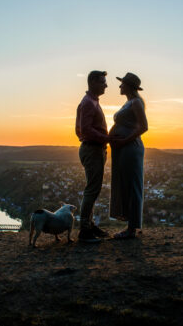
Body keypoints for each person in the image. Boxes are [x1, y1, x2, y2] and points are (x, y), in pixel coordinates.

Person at [109, 72, 148, 239]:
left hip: (130, 148)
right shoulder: (130, 102)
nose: (119, 86)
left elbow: (144, 127)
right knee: (126, 184)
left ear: (129, 87)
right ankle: (130, 226)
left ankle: (131, 229)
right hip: (124, 148)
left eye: (122, 84)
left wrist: (124, 140)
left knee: (132, 185)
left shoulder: (136, 102)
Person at [75, 70, 111, 243]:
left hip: (95, 149)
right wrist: (107, 139)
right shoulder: (89, 103)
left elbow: (79, 130)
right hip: (93, 149)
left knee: (94, 189)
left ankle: (88, 225)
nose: (106, 85)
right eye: (103, 82)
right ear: (93, 82)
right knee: (91, 190)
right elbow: (86, 130)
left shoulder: (91, 101)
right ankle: (84, 231)